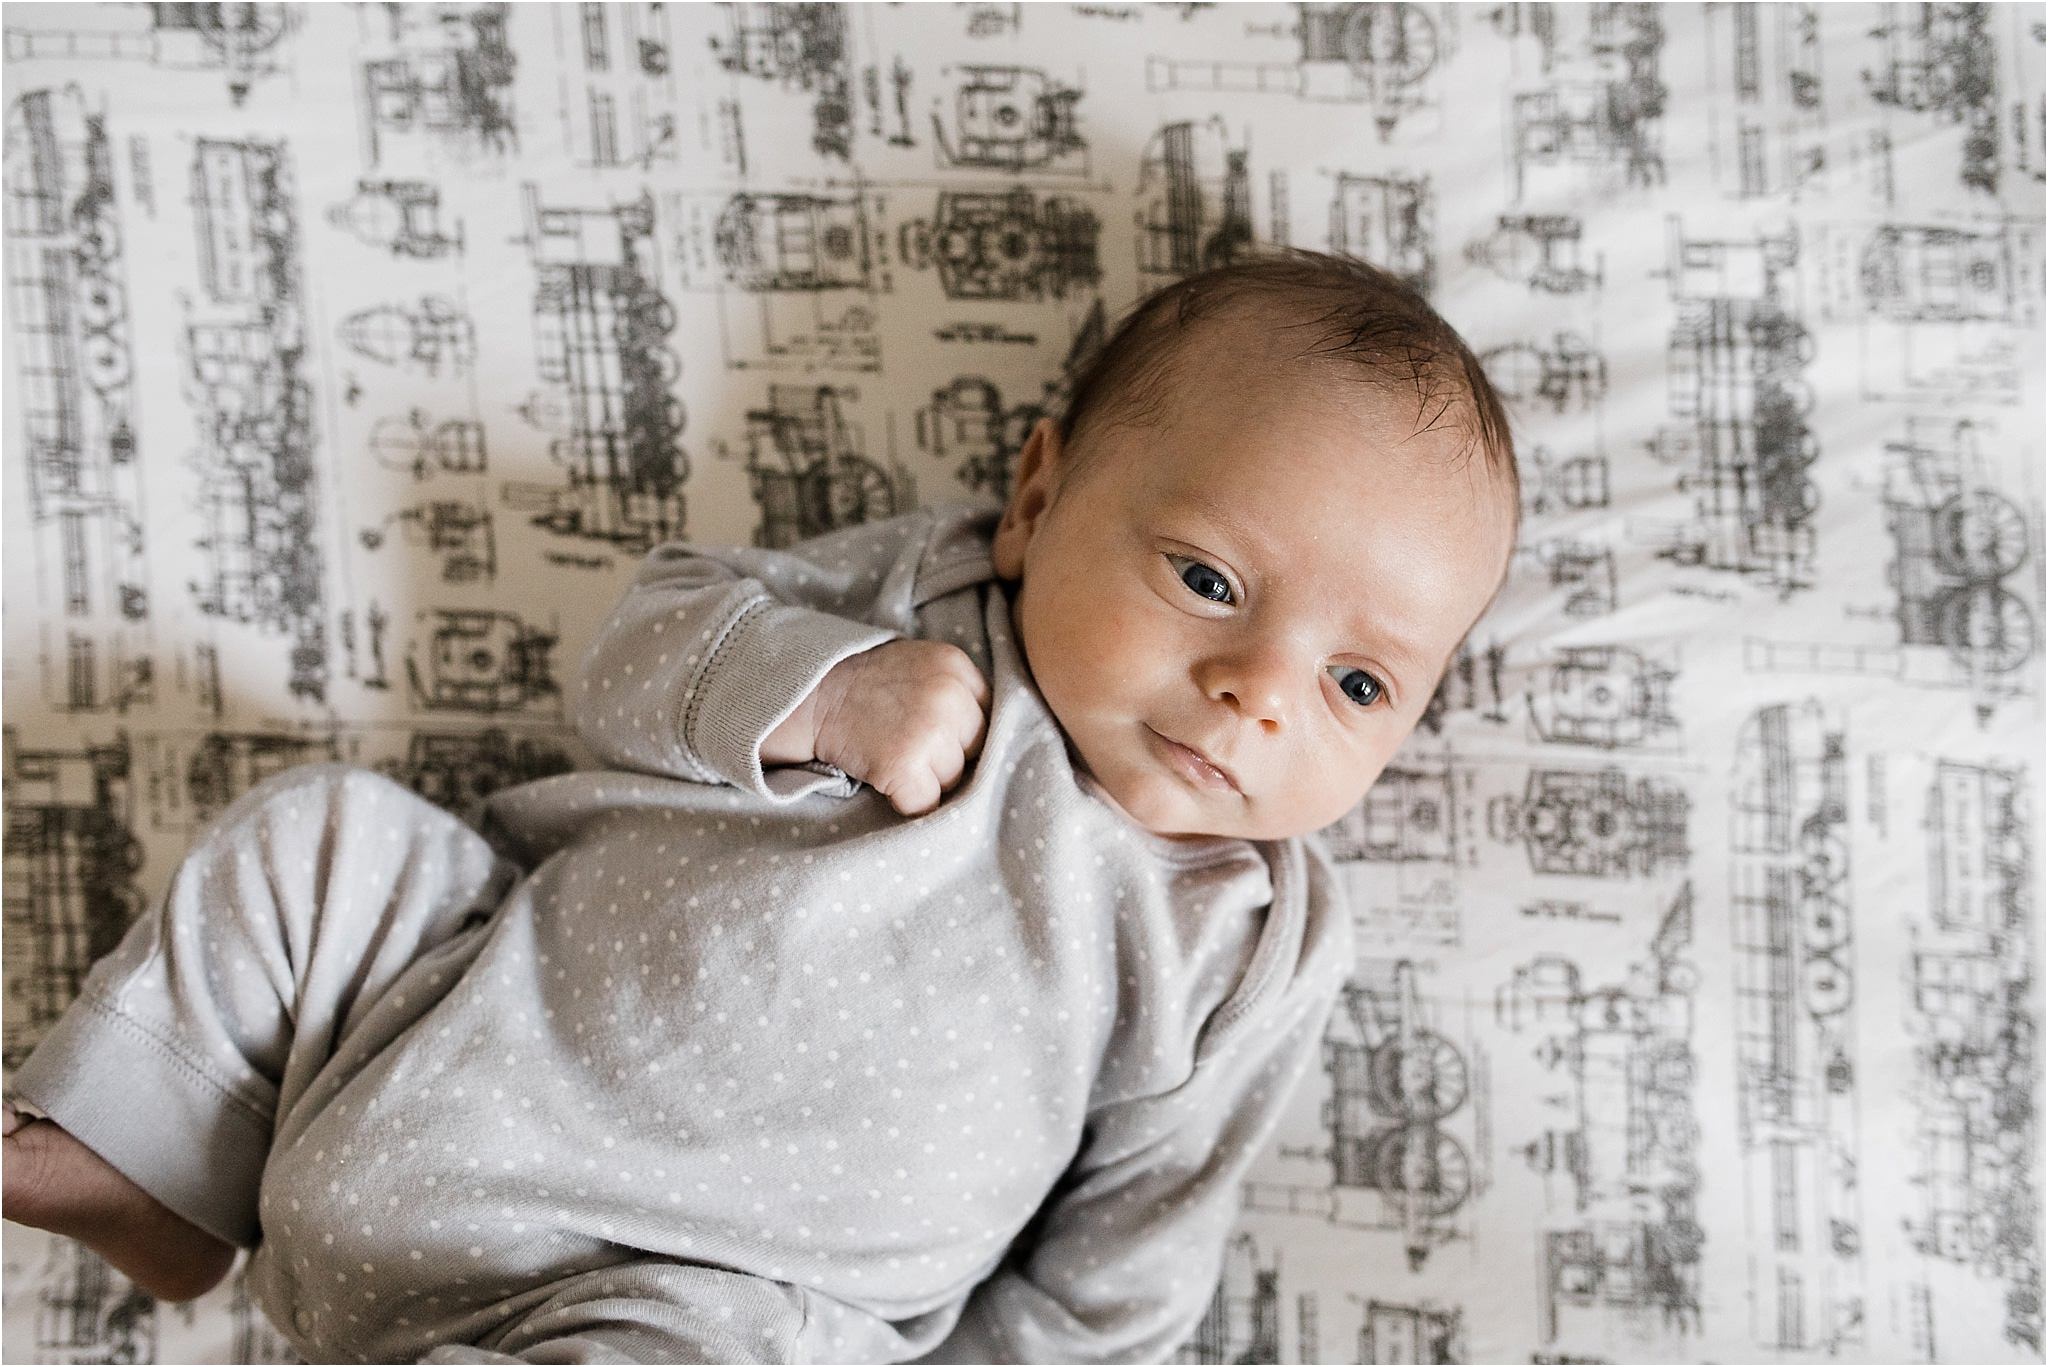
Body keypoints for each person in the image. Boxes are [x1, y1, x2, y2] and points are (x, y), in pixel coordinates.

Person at [3, 249, 1520, 1363]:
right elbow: (631, 657)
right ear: (1040, 501)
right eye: (1208, 582)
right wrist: (823, 687)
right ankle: (148, 1160)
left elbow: (1129, 1264)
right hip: (436, 1026)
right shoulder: (919, 601)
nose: (1261, 688)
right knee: (325, 844)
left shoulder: (1244, 935)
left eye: (1361, 687)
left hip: (714, 1296)